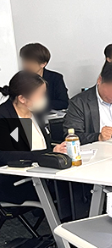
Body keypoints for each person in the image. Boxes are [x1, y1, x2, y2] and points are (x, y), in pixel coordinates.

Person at [0, 71, 68, 204]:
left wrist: (56, 150)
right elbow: (8, 155)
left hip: (44, 173)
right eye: (40, 95)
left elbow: (43, 145)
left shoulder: (35, 114)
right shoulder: (5, 116)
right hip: (16, 180)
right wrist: (47, 154)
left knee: (77, 186)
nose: (44, 99)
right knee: (69, 190)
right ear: (22, 98)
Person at [19, 42, 69, 110]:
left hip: (49, 114)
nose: (26, 65)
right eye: (24, 61)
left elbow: (64, 103)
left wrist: (39, 104)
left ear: (43, 64)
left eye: (31, 62)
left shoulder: (55, 78)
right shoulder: (19, 79)